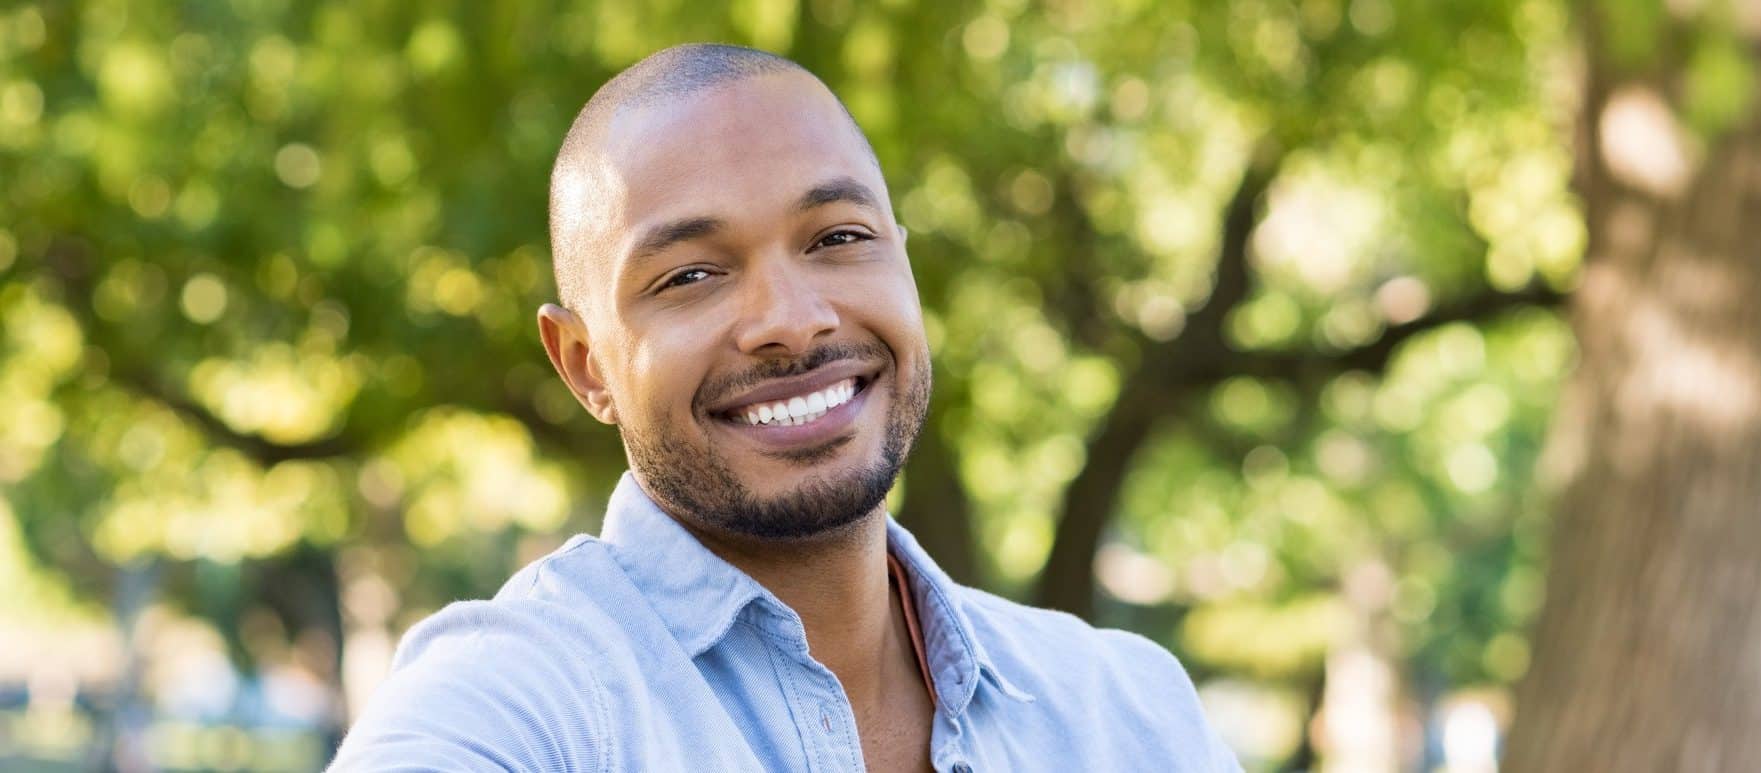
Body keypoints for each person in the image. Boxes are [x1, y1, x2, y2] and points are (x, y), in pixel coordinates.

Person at [328, 42, 1239, 772]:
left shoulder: (1128, 712)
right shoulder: (525, 703)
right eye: (690, 274)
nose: (792, 322)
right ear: (585, 365)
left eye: (840, 237)